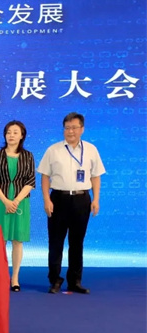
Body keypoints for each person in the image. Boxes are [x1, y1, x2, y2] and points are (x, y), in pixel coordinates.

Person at [38, 112, 105, 294]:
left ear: (82, 129)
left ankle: (75, 281)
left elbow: (96, 176)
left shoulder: (91, 149)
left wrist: (96, 199)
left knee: (77, 242)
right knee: (56, 242)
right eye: (67, 128)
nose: (70, 131)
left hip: (82, 199)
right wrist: (46, 199)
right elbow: (45, 176)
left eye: (74, 127)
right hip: (58, 199)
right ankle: (55, 280)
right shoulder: (53, 150)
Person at [0, 120, 36, 292]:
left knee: (17, 240)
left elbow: (30, 181)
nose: (11, 135)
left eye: (15, 132)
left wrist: (15, 201)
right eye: (8, 132)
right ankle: (0, 276)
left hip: (21, 202)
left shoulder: (28, 156)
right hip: (0, 202)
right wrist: (6, 201)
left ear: (22, 136)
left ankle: (15, 277)